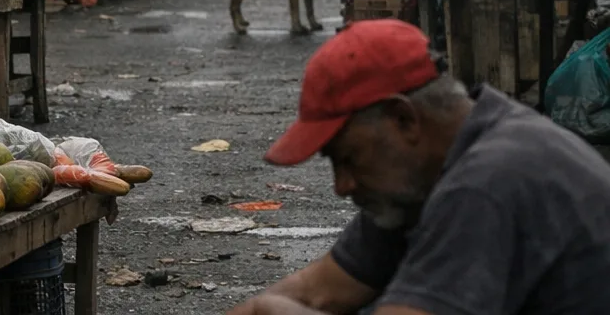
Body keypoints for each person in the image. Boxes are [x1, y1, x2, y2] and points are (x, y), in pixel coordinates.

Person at [226, 20, 610, 315]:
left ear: (404, 120)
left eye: (348, 159)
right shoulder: (423, 177)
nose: (341, 186)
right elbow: (319, 292)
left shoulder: (486, 183)